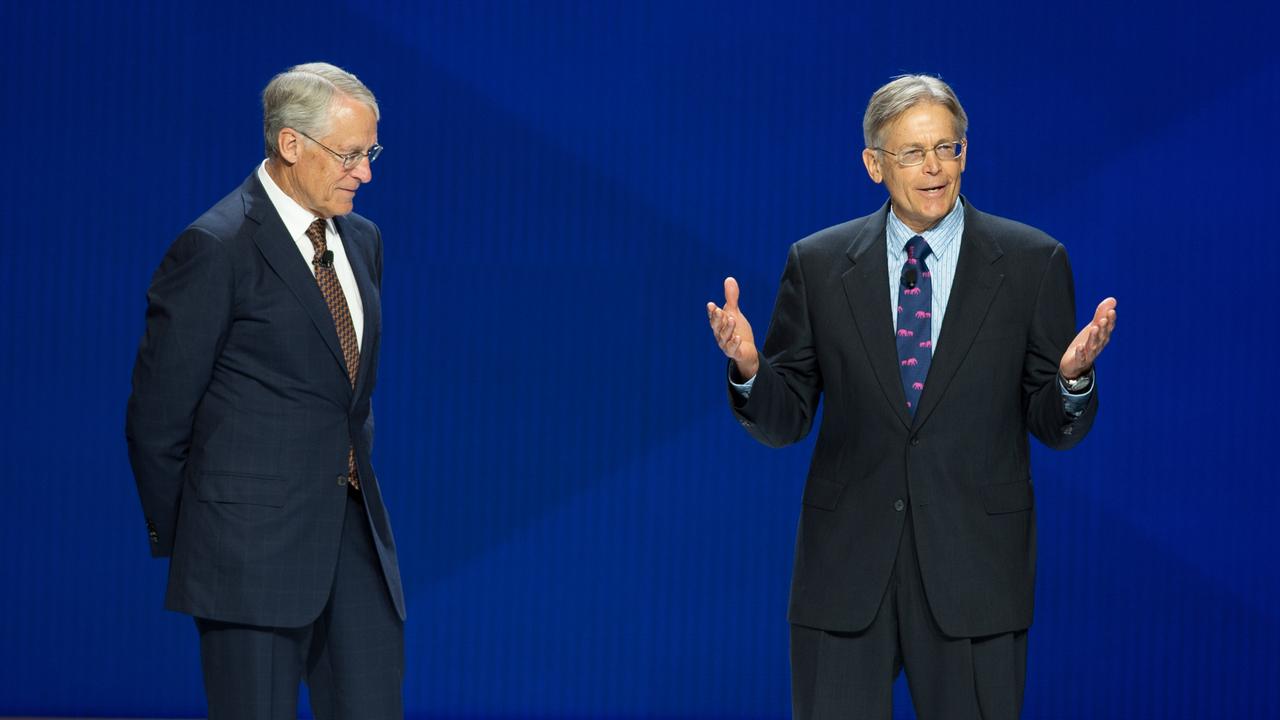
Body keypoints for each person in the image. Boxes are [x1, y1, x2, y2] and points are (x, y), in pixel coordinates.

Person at [705, 75, 1116, 719]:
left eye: (947, 149)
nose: (934, 168)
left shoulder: (1032, 262)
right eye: (912, 153)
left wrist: (1071, 380)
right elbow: (786, 420)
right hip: (845, 570)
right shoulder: (818, 263)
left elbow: (1055, 425)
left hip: (975, 570)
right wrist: (752, 368)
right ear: (874, 165)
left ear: (964, 153)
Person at [126, 62, 404, 719]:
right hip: (245, 560)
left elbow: (343, 400)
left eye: (371, 152)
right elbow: (156, 423)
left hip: (353, 543)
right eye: (351, 155)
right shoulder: (217, 247)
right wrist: (207, 542)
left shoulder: (362, 242)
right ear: (291, 145)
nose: (365, 172)